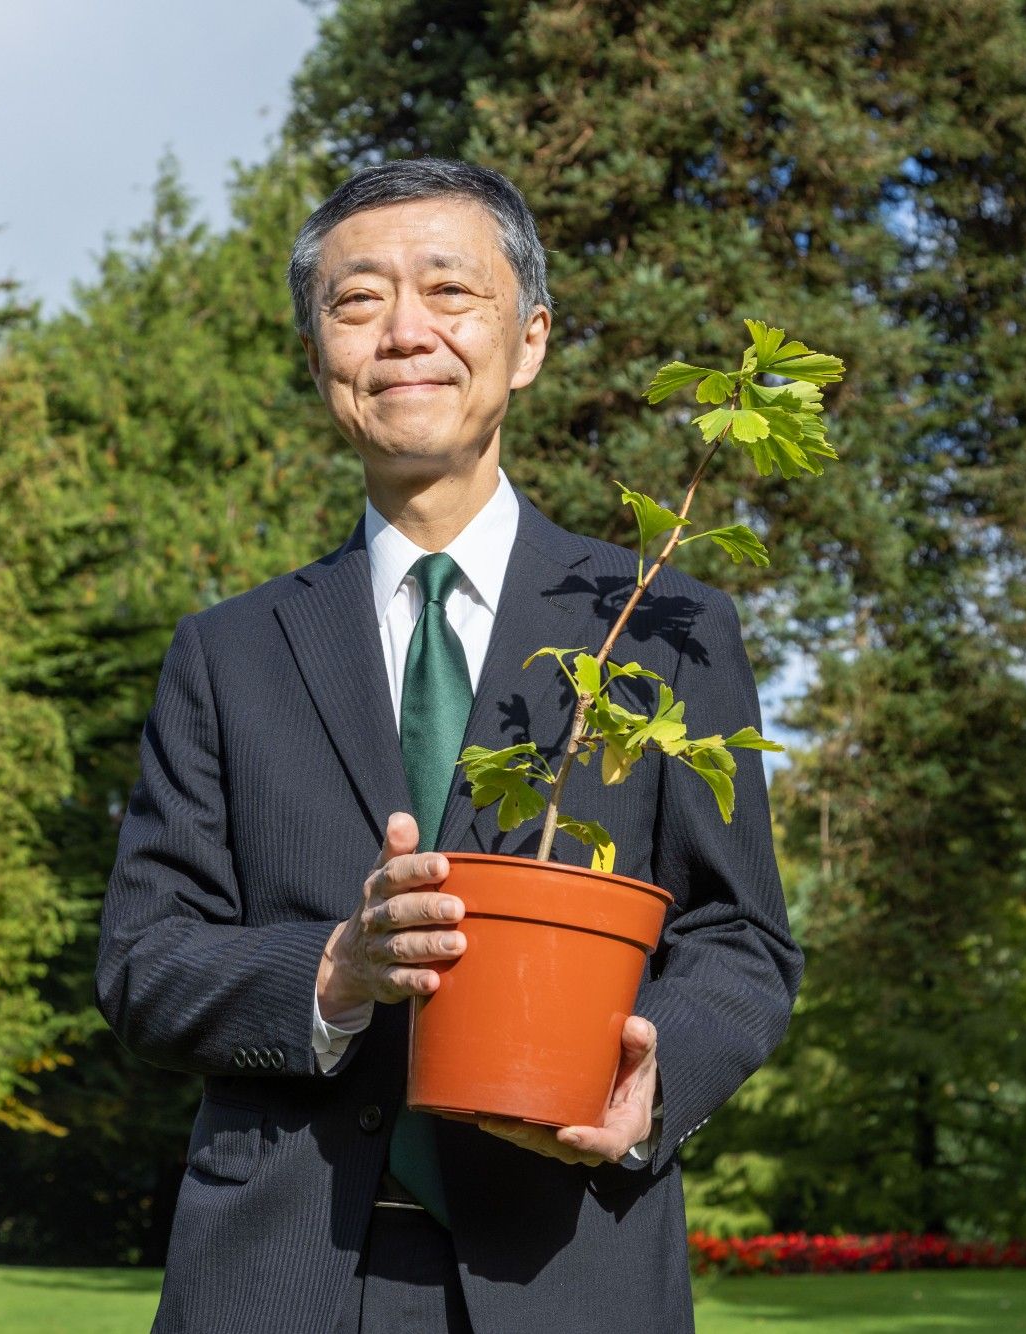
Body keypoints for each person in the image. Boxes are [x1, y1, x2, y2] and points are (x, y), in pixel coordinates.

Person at [95, 157, 802, 1333]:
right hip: (276, 1279)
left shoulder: (662, 622)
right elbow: (142, 956)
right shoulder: (226, 653)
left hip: (569, 1271)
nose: (404, 333)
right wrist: (331, 971)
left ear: (526, 340)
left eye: (447, 293)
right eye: (357, 300)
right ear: (317, 353)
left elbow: (739, 938)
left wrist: (651, 1076)